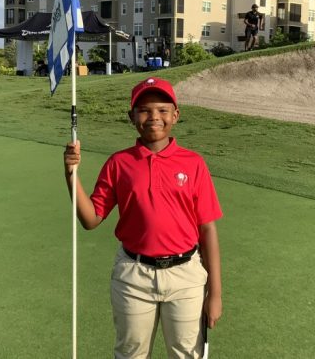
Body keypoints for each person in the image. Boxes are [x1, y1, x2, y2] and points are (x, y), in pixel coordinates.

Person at [63, 77, 223, 358]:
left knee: (187, 354)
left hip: (186, 276)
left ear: (176, 115)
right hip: (134, 276)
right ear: (132, 117)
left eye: (162, 110)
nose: (154, 117)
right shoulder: (119, 163)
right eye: (144, 111)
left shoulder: (194, 163)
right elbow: (91, 219)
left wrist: (216, 293)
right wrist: (70, 175)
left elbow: (207, 229)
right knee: (131, 354)